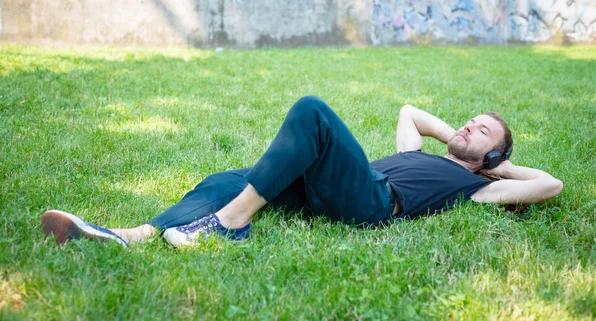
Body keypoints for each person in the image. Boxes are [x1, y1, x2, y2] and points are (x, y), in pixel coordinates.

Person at [41, 96, 563, 248]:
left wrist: (497, 167)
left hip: (374, 204)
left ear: (493, 160)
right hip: (337, 189)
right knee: (231, 178)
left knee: (313, 112)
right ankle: (133, 234)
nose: (469, 129)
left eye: (482, 133)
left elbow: (552, 185)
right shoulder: (422, 153)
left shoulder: (475, 188)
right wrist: (462, 138)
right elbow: (410, 113)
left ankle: (231, 224)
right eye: (470, 122)